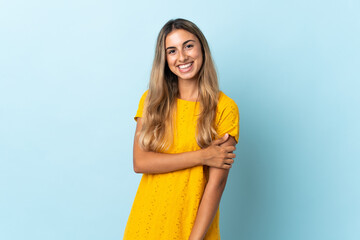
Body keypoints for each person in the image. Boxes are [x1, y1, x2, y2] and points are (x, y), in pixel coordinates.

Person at [123, 18, 239, 240]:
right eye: (172, 51)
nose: (182, 57)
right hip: (145, 223)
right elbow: (140, 162)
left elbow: (217, 185)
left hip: (193, 229)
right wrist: (203, 156)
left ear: (201, 48)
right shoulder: (151, 101)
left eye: (188, 45)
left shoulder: (224, 108)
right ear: (165, 59)